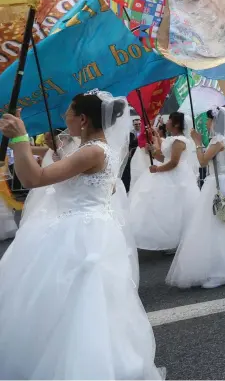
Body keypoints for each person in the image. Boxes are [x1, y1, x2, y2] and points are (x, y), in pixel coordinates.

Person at [0, 92, 161, 379]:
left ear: (83, 119)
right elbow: (105, 188)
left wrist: (20, 138)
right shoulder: (101, 150)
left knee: (72, 306)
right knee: (85, 308)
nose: (64, 118)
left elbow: (33, 179)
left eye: (69, 113)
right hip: (93, 231)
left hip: (76, 234)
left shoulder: (91, 152)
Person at [166, 107, 225, 289]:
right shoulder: (219, 139)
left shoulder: (218, 140)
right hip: (221, 180)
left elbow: (202, 161)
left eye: (208, 120)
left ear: (216, 121)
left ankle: (222, 270)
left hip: (219, 183)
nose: (207, 123)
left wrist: (198, 142)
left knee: (219, 223)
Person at [128, 112, 200, 252]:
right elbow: (163, 157)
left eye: (169, 120)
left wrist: (157, 169)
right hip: (168, 173)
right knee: (168, 208)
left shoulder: (179, 141)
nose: (166, 123)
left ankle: (180, 240)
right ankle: (172, 239)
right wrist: (153, 151)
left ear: (176, 124)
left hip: (176, 176)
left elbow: (173, 162)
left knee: (177, 208)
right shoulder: (172, 139)